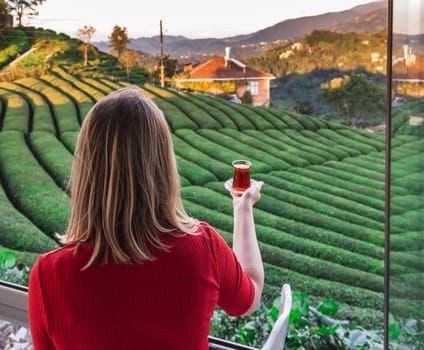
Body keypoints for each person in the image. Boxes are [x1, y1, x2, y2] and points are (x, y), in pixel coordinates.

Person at [28, 86, 264, 349]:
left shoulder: (48, 275)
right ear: (162, 164)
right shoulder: (203, 247)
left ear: (86, 170)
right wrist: (243, 208)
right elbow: (248, 299)